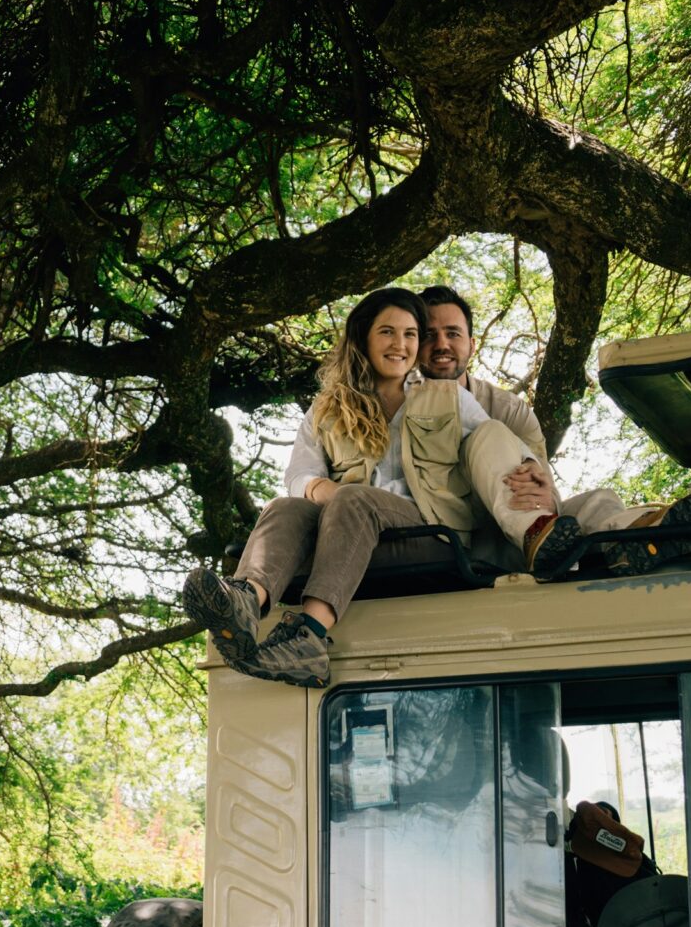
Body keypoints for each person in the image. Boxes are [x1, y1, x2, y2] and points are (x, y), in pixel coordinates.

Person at [183, 286, 555, 687]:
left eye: (411, 334)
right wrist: (320, 491)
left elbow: (497, 443)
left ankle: (308, 636)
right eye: (388, 332)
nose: (401, 344)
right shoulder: (328, 406)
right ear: (363, 337)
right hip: (349, 534)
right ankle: (244, 600)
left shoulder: (448, 398)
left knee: (355, 498)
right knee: (283, 507)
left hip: (429, 532)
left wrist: (533, 467)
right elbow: (297, 476)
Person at [417, 284, 691, 581]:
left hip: (523, 534)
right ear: (415, 345)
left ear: (472, 343)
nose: (441, 344)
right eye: (429, 335)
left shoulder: (509, 408)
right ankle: (537, 531)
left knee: (598, 501)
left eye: (453, 333)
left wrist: (539, 486)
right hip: (470, 541)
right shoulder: (404, 405)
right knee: (489, 434)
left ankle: (638, 535)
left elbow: (544, 486)